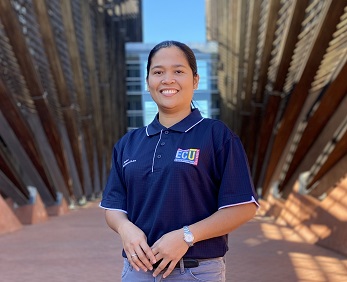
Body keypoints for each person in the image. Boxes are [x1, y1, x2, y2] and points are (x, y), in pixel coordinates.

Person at [100, 40, 259, 281]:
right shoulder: (128, 143)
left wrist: (187, 235)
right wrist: (125, 229)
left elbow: (243, 207)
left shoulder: (216, 135)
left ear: (195, 80)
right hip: (137, 271)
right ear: (148, 82)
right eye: (158, 72)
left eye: (178, 71)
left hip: (195, 271)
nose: (167, 79)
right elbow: (114, 207)